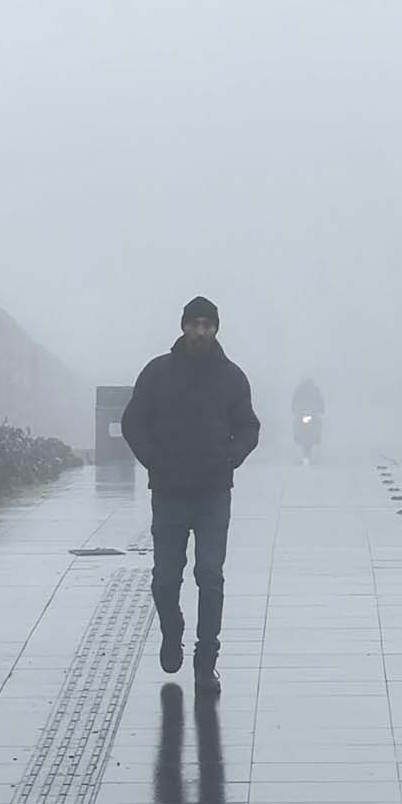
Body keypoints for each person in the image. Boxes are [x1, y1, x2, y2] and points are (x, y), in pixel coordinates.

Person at [121, 296, 261, 694]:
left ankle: (206, 658)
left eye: (208, 325)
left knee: (210, 575)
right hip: (168, 491)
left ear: (216, 328)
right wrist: (153, 460)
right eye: (195, 324)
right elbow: (134, 421)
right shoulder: (158, 373)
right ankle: (172, 629)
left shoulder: (232, 378)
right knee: (166, 579)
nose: (201, 331)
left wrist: (230, 458)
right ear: (183, 326)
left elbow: (249, 426)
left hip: (213, 492)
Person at [291, 377, 324, 463]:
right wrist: (295, 409)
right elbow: (295, 400)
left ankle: (316, 436)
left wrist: (321, 409)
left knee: (317, 424)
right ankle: (298, 436)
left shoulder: (314, 390)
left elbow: (320, 400)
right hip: (302, 413)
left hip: (312, 414)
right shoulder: (301, 390)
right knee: (297, 424)